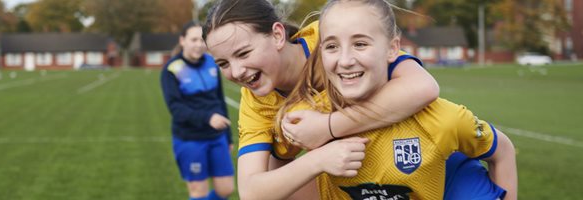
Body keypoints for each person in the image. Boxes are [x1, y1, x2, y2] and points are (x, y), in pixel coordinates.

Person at [278, 0, 518, 199]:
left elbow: (503, 150)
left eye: (360, 44)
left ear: (393, 49)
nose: (345, 60)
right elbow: (266, 186)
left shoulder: (441, 120)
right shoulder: (306, 119)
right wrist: (314, 161)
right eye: (331, 46)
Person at [203, 0, 439, 199]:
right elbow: (251, 191)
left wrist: (327, 127)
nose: (236, 71)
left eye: (243, 53)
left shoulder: (328, 36)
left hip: (426, 157)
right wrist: (318, 160)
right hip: (368, 180)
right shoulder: (255, 105)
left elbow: (422, 86)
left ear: (277, 35)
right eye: (223, 63)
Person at [161, 21, 234, 200]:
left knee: (226, 190)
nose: (199, 45)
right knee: (198, 193)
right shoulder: (172, 69)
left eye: (202, 40)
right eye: (193, 40)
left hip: (217, 137)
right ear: (182, 41)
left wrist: (228, 136)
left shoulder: (212, 63)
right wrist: (208, 117)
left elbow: (219, 100)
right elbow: (176, 109)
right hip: (190, 140)